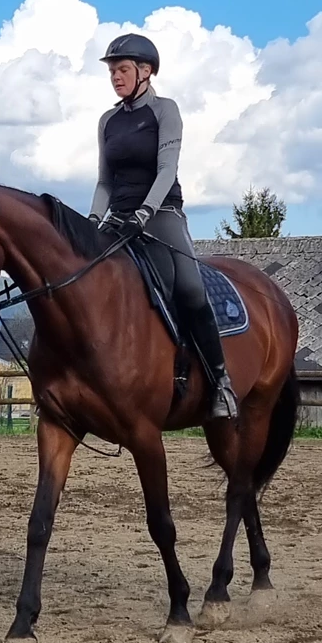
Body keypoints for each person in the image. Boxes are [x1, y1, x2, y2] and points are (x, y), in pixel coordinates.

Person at [88, 33, 238, 421]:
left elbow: (166, 168)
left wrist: (145, 212)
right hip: (117, 218)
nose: (115, 78)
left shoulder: (165, 111)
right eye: (112, 71)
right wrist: (92, 219)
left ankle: (220, 383)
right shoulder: (107, 121)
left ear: (146, 71)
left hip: (161, 214)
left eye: (122, 70)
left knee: (189, 286)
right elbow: (105, 180)